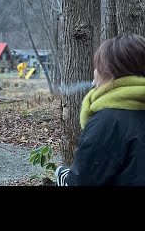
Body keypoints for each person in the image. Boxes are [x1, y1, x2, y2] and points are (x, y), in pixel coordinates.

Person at [55, 33, 145, 186]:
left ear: (109, 73)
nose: (94, 72)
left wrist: (63, 177)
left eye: (97, 67)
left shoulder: (108, 122)